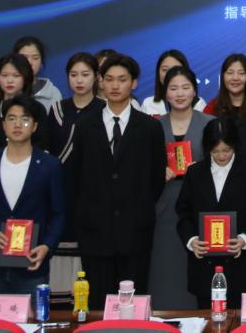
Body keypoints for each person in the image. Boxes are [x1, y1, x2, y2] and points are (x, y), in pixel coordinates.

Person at [71, 53, 165, 307]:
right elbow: (76, 177)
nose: (115, 86)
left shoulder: (150, 128)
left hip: (135, 233)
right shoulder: (85, 125)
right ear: (100, 82)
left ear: (134, 83)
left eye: (122, 80)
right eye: (109, 79)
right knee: (98, 305)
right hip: (95, 232)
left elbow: (156, 180)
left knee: (133, 305)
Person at [0, 94, 67, 301]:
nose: (18, 124)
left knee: (34, 318)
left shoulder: (50, 165)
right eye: (11, 119)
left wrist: (47, 246)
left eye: (25, 119)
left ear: (35, 126)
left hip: (33, 263)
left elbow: (59, 213)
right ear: (3, 125)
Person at [175, 117, 246, 308]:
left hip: (241, 266)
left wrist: (245, 239)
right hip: (204, 265)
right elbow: (183, 212)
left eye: (227, 150)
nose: (222, 156)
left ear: (235, 146)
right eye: (215, 151)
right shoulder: (195, 172)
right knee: (207, 317)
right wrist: (192, 240)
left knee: (240, 318)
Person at [150, 66, 216, 309]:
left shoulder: (210, 124)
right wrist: (157, 172)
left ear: (195, 91)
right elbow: (143, 167)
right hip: (164, 206)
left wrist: (203, 168)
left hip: (199, 207)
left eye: (185, 87)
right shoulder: (153, 126)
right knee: (164, 266)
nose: (179, 94)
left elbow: (223, 162)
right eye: (173, 88)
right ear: (164, 93)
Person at [44, 52, 104, 297]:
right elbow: (48, 153)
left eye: (85, 74)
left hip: (92, 193)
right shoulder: (57, 110)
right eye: (73, 74)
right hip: (61, 190)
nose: (79, 80)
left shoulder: (103, 109)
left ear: (96, 77)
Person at [0, 53, 49, 155]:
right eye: (4, 75)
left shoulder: (37, 109)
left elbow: (41, 146)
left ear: (26, 78)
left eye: (16, 75)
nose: (9, 80)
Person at [0, 36, 62, 110]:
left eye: (35, 58)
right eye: (24, 57)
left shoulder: (52, 93)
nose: (29, 62)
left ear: (41, 63)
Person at [140, 50, 207, 116]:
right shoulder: (148, 104)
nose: (170, 74)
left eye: (176, 69)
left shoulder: (199, 105)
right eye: (165, 69)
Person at [204, 53, 246, 118]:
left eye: (241, 73)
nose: (235, 78)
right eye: (230, 73)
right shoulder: (212, 107)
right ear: (223, 76)